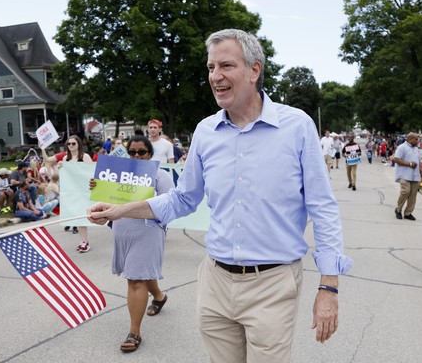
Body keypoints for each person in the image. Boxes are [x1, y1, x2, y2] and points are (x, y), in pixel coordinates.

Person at [87, 29, 353, 362]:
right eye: (211, 68)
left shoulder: (297, 126)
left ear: (254, 71)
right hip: (215, 282)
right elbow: (183, 199)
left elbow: (323, 207)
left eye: (226, 66)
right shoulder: (205, 131)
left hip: (272, 283)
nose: (216, 76)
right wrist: (119, 210)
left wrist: (329, 287)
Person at [90, 135, 174, 352]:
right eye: (132, 152)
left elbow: (169, 206)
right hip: (122, 230)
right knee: (142, 272)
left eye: (141, 152)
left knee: (136, 279)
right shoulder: (120, 175)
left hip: (148, 231)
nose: (136, 156)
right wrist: (98, 187)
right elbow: (108, 202)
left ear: (150, 154)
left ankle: (134, 333)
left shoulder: (160, 175)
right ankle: (159, 296)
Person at [63, 135, 93, 252]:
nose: (71, 146)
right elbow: (61, 175)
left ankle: (85, 242)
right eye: (69, 144)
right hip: (72, 191)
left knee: (83, 216)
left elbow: (91, 173)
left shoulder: (85, 157)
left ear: (78, 144)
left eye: (73, 143)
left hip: (84, 190)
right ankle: (83, 241)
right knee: (77, 216)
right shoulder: (66, 158)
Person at [392, 133, 421, 220]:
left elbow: (418, 162)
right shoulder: (402, 147)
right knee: (405, 191)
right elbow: (396, 159)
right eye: (416, 139)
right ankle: (398, 209)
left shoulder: (416, 149)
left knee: (413, 195)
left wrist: (421, 174)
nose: (417, 141)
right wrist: (409, 164)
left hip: (415, 176)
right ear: (411, 139)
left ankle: (408, 213)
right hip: (404, 174)